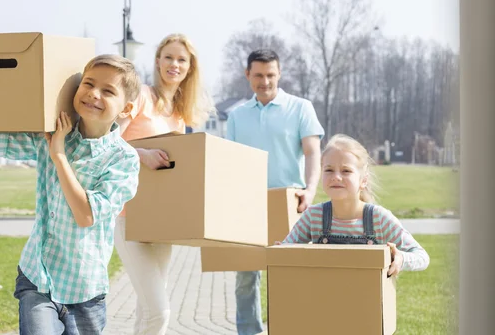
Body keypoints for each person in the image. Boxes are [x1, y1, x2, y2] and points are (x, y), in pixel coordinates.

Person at [0, 54, 142, 335]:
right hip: (37, 277)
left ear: (126, 108)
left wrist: (59, 156)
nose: (93, 94)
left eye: (108, 91)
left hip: (83, 290)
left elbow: (86, 215)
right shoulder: (48, 136)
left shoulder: (123, 160)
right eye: (88, 83)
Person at [114, 33, 213, 335]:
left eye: (182, 60)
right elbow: (107, 142)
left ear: (189, 68)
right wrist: (141, 154)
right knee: (159, 312)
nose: (174, 64)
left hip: (161, 223)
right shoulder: (140, 96)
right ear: (157, 61)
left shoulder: (179, 117)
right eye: (169, 57)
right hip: (128, 218)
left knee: (146, 312)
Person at [227, 49, 324, 335]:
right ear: (248, 76)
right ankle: (249, 332)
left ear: (279, 74)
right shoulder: (237, 116)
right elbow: (230, 162)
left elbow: (312, 153)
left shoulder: (301, 108)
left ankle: (290, 329)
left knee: (288, 275)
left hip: (290, 203)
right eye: (258, 75)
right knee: (245, 278)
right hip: (249, 204)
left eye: (271, 75)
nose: (265, 81)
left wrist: (310, 190)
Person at [281, 133, 430, 276]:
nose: (336, 177)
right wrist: (281, 251)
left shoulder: (379, 218)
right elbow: (285, 251)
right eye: (329, 170)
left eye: (346, 171)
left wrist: (400, 258)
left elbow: (422, 257)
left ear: (363, 180)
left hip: (367, 301)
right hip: (323, 299)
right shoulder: (313, 216)